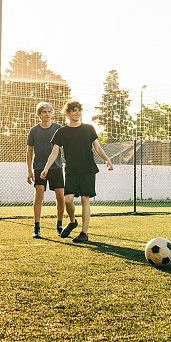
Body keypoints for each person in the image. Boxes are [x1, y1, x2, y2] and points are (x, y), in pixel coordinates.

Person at [41, 101, 113, 243]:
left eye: (79, 110)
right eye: (74, 110)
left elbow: (97, 147)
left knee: (85, 199)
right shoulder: (61, 132)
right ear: (67, 113)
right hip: (71, 171)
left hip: (87, 169)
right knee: (67, 199)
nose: (77, 113)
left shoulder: (89, 129)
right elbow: (54, 152)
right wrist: (46, 168)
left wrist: (107, 159)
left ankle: (84, 233)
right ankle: (73, 221)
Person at [26, 102, 68, 238]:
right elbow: (29, 152)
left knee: (60, 197)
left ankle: (59, 225)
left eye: (49, 112)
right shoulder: (34, 131)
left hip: (56, 167)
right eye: (44, 112)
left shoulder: (58, 128)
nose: (47, 114)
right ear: (39, 114)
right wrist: (29, 171)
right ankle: (36, 228)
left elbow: (66, 147)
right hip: (39, 167)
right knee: (39, 196)